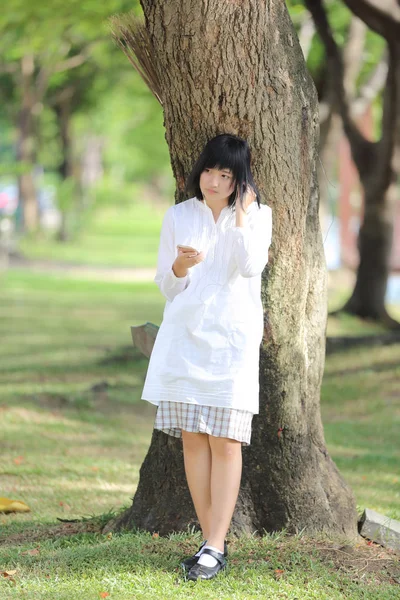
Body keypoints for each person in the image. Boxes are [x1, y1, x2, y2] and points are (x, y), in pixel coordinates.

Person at [141, 133, 272, 581]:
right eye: (209, 171)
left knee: (227, 439)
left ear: (240, 182)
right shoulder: (179, 216)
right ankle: (209, 542)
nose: (213, 181)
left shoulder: (258, 217)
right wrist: (180, 267)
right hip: (185, 339)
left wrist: (241, 218)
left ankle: (216, 543)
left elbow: (251, 266)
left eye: (225, 175)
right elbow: (167, 282)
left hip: (232, 343)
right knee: (194, 438)